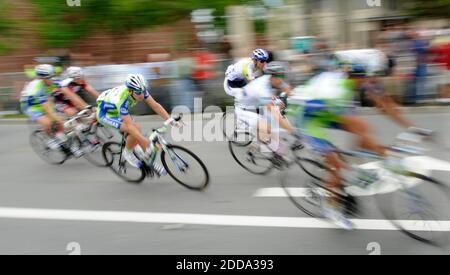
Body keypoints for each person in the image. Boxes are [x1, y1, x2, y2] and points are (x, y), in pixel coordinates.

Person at [96, 74, 180, 174]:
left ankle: (148, 161)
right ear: (130, 91)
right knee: (135, 129)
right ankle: (128, 153)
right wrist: (145, 142)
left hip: (117, 111)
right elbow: (130, 126)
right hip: (106, 115)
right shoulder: (121, 100)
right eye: (138, 92)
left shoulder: (140, 90)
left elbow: (155, 106)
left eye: (143, 90)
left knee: (137, 134)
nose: (141, 94)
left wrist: (170, 120)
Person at [236, 61, 300, 156]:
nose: (281, 80)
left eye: (282, 77)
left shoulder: (274, 79)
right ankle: (262, 149)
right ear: (271, 77)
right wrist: (293, 132)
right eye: (279, 77)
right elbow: (275, 114)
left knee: (273, 125)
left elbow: (288, 90)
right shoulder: (261, 88)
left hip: (258, 105)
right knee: (268, 128)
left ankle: (257, 146)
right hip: (245, 110)